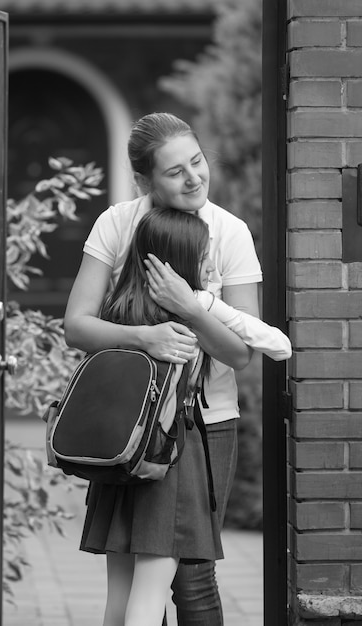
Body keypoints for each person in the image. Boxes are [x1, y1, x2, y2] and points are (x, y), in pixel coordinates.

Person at [64, 112, 276, 624]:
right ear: (144, 181)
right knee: (145, 575)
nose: (194, 178)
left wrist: (189, 306)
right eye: (175, 171)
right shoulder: (117, 223)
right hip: (127, 421)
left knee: (192, 577)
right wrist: (145, 337)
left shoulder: (230, 233)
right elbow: (76, 325)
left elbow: (241, 354)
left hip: (204, 424)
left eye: (197, 162)